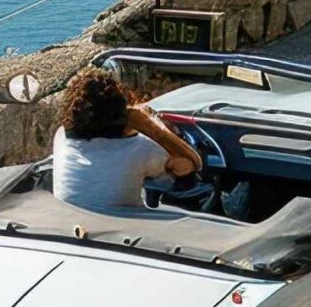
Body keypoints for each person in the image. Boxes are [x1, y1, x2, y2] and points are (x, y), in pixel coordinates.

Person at [52, 70, 200, 212]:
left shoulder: (61, 137)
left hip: (71, 220)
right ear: (121, 111)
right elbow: (185, 166)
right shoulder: (139, 148)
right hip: (125, 225)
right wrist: (149, 124)